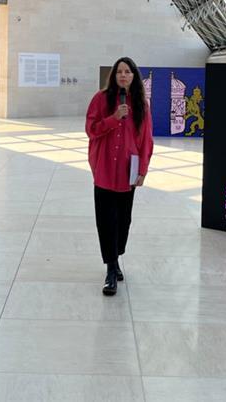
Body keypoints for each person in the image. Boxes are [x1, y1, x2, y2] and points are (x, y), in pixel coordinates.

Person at [85, 57, 153, 296]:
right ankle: (111, 269)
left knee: (124, 221)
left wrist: (143, 170)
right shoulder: (100, 99)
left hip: (128, 171)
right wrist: (114, 118)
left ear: (134, 76)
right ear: (114, 76)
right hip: (104, 168)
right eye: (119, 72)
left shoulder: (142, 104)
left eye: (128, 72)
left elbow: (146, 140)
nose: (123, 75)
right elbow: (91, 130)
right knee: (106, 221)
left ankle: (116, 255)